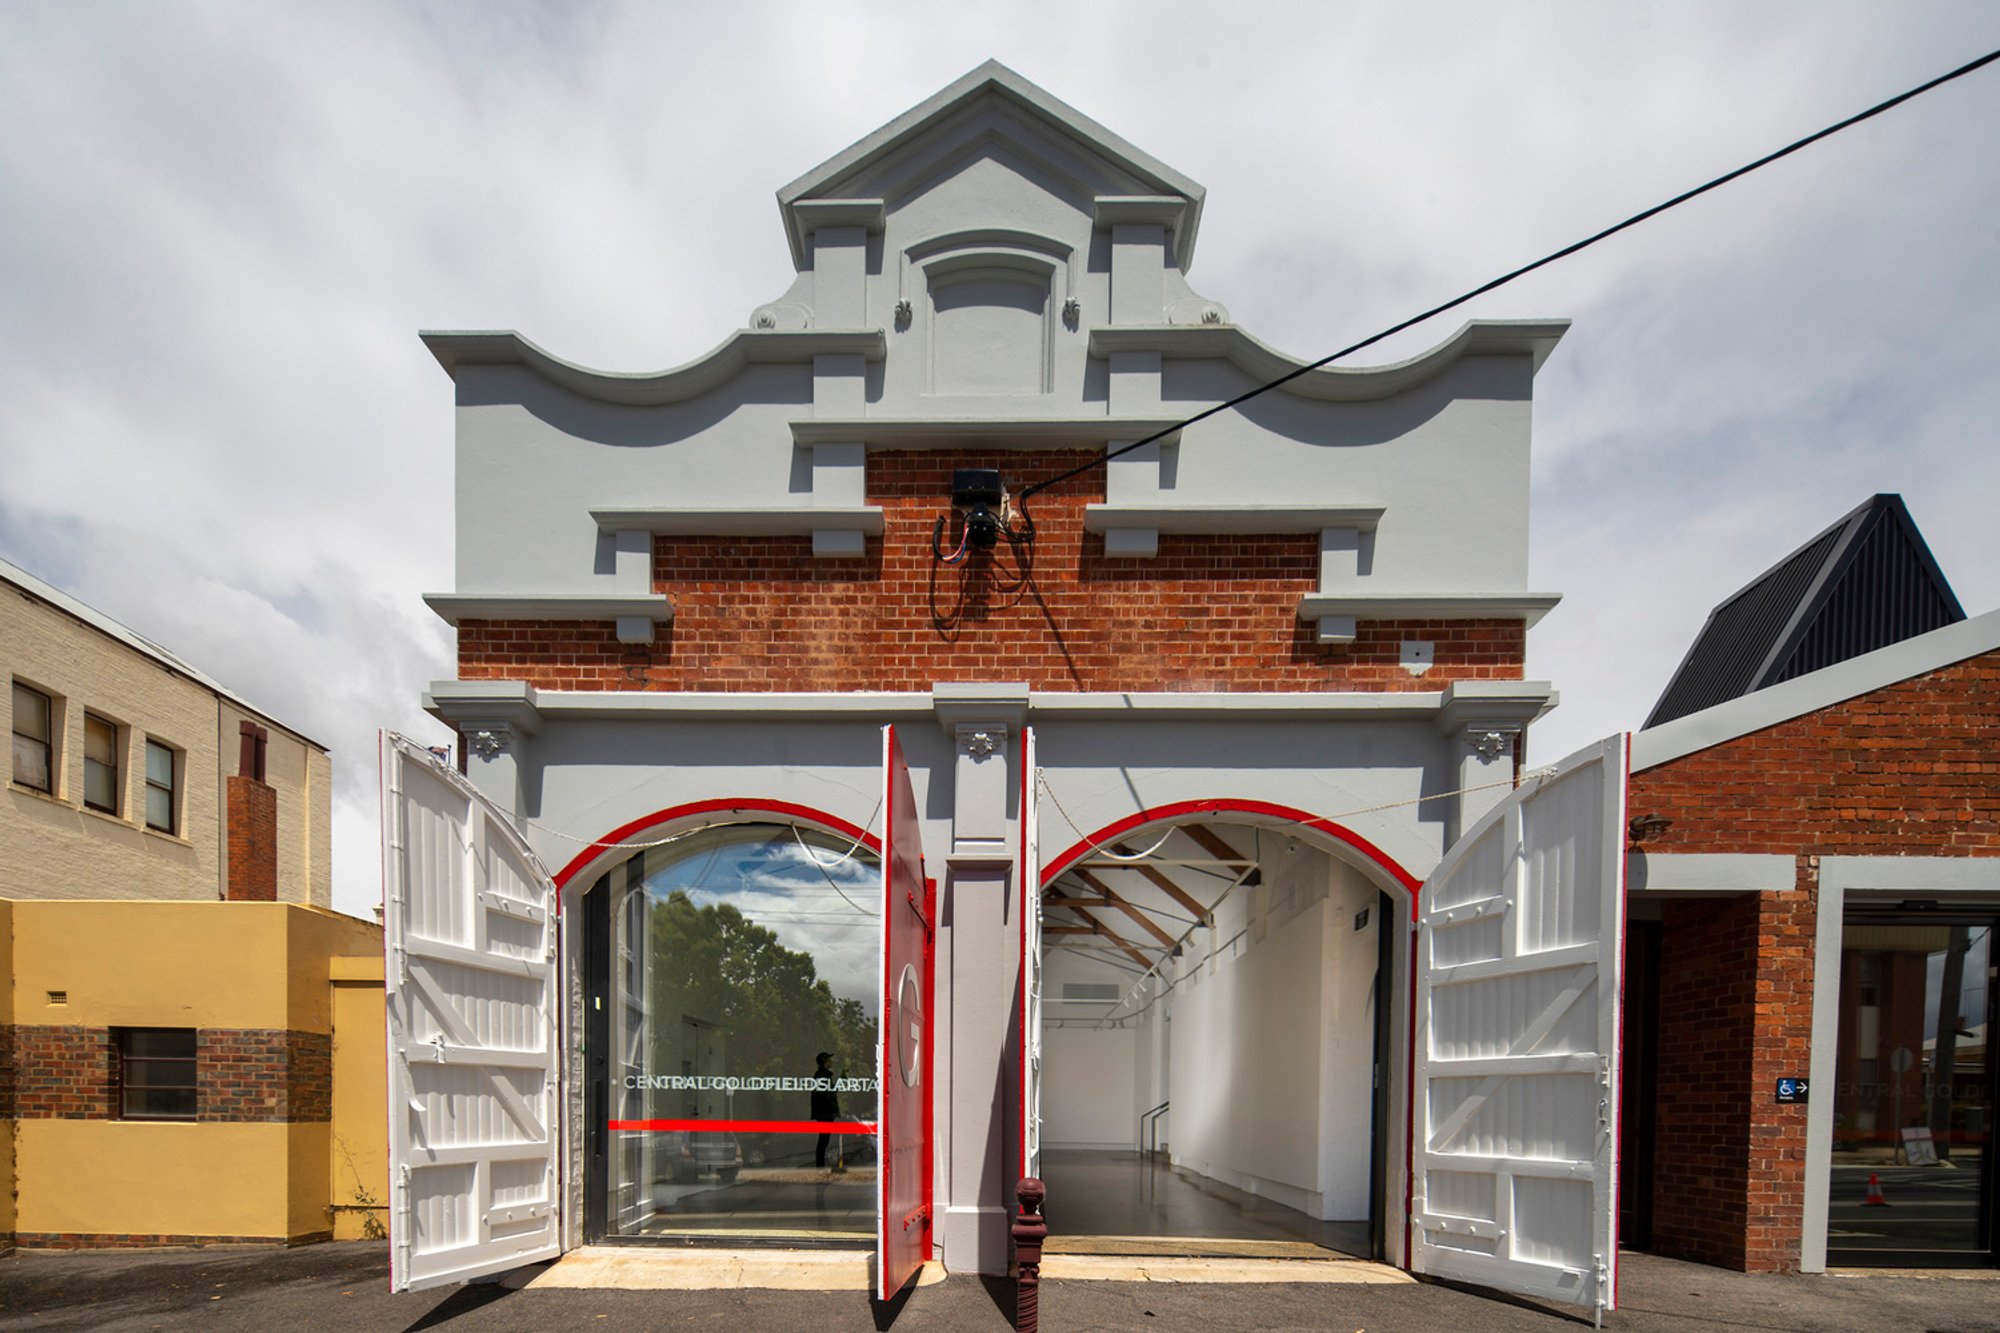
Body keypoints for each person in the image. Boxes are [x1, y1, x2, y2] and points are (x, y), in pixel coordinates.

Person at [809, 1050, 840, 1170]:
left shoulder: (824, 1075)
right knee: (823, 1139)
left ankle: (820, 1165)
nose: (831, 1062)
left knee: (824, 1139)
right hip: (825, 1113)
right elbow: (828, 1093)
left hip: (825, 1112)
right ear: (824, 1062)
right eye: (829, 1060)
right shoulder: (822, 1076)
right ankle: (820, 1166)